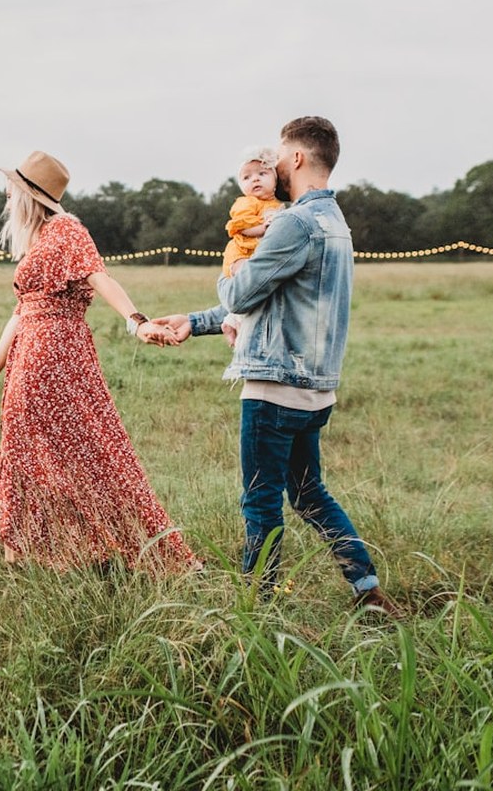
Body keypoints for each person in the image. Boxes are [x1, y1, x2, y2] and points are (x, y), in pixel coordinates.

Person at [152, 117, 401, 615]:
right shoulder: (335, 223)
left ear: (298, 158)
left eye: (280, 157)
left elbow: (241, 294)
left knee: (260, 500)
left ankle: (257, 606)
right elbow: (272, 300)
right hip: (316, 389)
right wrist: (194, 322)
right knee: (309, 495)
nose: (274, 166)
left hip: (275, 387)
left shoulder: (294, 223)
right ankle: (367, 590)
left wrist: (232, 265)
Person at [0, 150, 201, 573]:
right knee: (31, 450)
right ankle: (40, 551)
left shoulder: (66, 229)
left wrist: (136, 322)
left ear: (29, 195)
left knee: (88, 450)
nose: (6, 196)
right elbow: (21, 313)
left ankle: (109, 547)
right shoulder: (39, 239)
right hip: (31, 352)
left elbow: (99, 276)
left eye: (12, 189)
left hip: (55, 354)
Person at [220, 146, 283, 345]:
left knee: (258, 287)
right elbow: (242, 226)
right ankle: (238, 325)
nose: (255, 179)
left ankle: (230, 321)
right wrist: (263, 228)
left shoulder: (277, 205)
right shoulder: (247, 202)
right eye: (247, 177)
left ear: (275, 179)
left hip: (255, 253)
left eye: (262, 174)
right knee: (248, 283)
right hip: (241, 253)